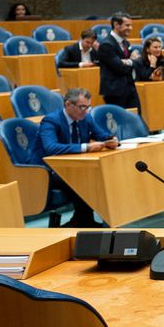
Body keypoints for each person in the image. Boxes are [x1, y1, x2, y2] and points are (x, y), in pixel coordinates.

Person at [37, 87, 119, 226]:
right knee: (83, 176)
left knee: (94, 172)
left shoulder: (86, 118)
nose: (86, 111)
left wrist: (112, 140)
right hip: (49, 169)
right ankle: (84, 220)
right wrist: (86, 147)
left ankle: (84, 219)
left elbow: (102, 135)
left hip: (74, 165)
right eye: (82, 107)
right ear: (68, 104)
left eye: (88, 107)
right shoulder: (50, 121)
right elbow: (51, 148)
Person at [96, 12, 140, 111]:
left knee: (136, 119)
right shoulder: (106, 45)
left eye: (131, 25)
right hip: (115, 91)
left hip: (130, 87)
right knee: (120, 123)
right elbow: (120, 68)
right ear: (116, 25)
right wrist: (132, 60)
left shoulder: (125, 42)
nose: (130, 28)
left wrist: (128, 61)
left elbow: (138, 62)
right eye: (127, 25)